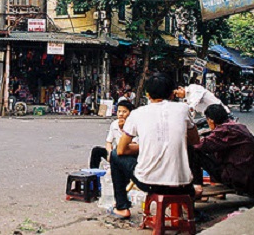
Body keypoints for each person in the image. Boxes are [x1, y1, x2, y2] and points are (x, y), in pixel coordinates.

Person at [109, 73, 199, 219]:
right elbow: (195, 140)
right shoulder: (183, 109)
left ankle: (122, 206)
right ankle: (194, 189)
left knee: (114, 155)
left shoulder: (138, 113)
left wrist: (144, 146)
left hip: (148, 182)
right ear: (172, 94)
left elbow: (121, 149)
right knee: (188, 148)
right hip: (181, 183)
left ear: (148, 95)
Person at [190, 104, 254, 197]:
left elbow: (200, 145)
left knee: (194, 151)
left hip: (238, 179)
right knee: (213, 153)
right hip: (248, 176)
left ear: (211, 121)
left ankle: (197, 187)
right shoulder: (239, 126)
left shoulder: (224, 130)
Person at [89, 100, 135, 168]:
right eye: (119, 111)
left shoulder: (134, 126)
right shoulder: (114, 124)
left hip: (128, 153)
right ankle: (93, 175)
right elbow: (109, 142)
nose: (121, 114)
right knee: (96, 150)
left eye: (124, 112)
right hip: (115, 153)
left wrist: (123, 129)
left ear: (130, 113)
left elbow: (133, 145)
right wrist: (109, 153)